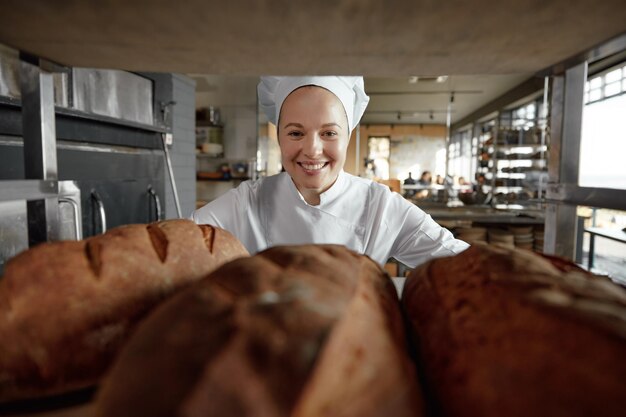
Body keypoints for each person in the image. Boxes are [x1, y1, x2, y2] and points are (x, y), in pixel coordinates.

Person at [191, 76, 468, 268]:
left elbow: (465, 264)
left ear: (348, 136)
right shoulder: (246, 202)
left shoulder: (381, 207)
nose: (312, 149)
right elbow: (180, 246)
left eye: (329, 133)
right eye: (296, 132)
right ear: (279, 136)